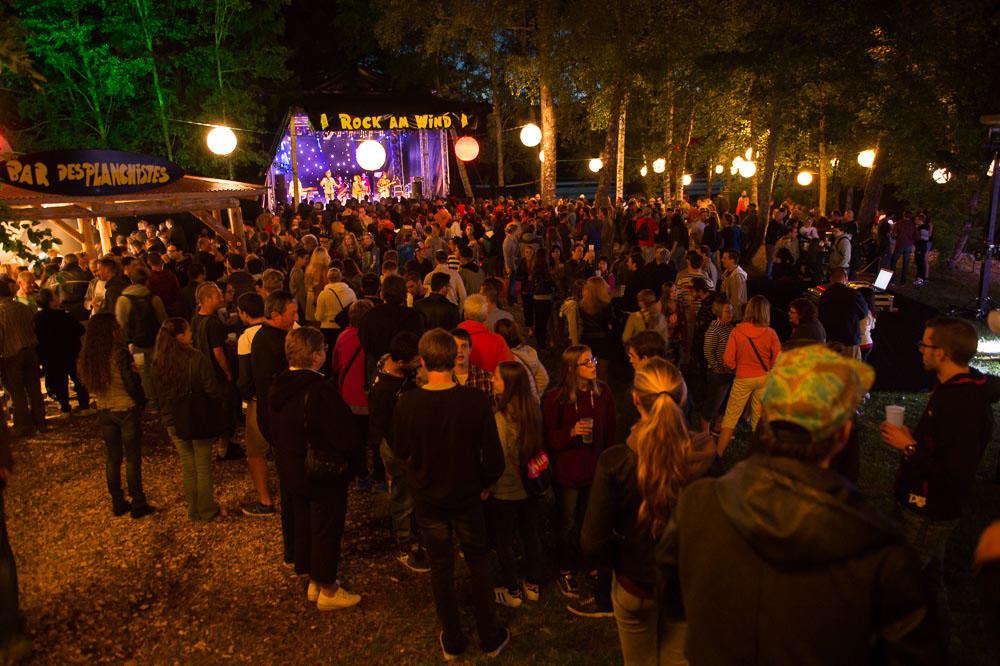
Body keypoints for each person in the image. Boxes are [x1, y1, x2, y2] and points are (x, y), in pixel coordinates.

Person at [658, 344, 943, 664]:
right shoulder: (880, 550)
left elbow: (672, 600)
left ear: (765, 421)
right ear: (842, 435)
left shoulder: (699, 503)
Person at [391, 329, 509, 659]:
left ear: (424, 362)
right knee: (478, 560)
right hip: (467, 495)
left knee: (441, 566)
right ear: (451, 357)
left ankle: (454, 638)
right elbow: (494, 458)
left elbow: (400, 450)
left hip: (429, 498)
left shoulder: (408, 403)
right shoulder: (473, 401)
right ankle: (489, 635)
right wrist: (484, 483)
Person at [881, 317, 1000, 627]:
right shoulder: (955, 389)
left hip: (929, 510)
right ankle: (939, 641)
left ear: (943, 353)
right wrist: (912, 441)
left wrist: (910, 448)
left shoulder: (964, 404)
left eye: (926, 345)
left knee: (898, 586)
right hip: (927, 505)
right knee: (931, 583)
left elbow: (954, 474)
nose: (920, 350)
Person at [581, 358, 694, 665]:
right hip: (686, 585)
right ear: (682, 398)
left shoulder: (616, 462)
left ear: (634, 399)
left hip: (635, 584)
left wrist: (622, 555)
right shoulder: (706, 460)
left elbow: (592, 540)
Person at [269, 327, 362, 611]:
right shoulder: (320, 391)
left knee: (304, 522)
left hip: (291, 467)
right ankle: (328, 589)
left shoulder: (278, 386)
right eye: (323, 348)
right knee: (325, 527)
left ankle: (312, 577)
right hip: (320, 471)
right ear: (315, 355)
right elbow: (342, 433)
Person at [542, 344, 616, 616]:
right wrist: (570, 432)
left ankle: (591, 566)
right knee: (568, 521)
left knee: (591, 521)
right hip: (568, 473)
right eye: (587, 362)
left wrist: (607, 464)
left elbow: (610, 431)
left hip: (595, 469)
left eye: (593, 359)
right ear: (572, 369)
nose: (593, 364)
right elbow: (550, 439)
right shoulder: (555, 399)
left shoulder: (603, 392)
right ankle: (566, 568)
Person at [78, 313, 153, 519]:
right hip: (125, 407)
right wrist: (141, 398)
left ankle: (117, 502)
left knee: (112, 458)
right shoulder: (119, 353)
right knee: (132, 458)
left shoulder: (90, 356)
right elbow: (130, 383)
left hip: (104, 409)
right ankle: (138, 502)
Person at [152, 318, 227, 521]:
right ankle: (206, 509)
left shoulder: (159, 360)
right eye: (188, 331)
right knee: (202, 464)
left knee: (187, 463)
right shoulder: (196, 358)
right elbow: (211, 389)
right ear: (180, 336)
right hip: (197, 416)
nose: (191, 333)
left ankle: (193, 508)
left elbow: (155, 394)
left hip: (173, 420)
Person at [368, 332, 429, 572]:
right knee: (403, 494)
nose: (420, 362)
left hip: (406, 443)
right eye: (416, 359)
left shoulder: (396, 371)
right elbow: (386, 428)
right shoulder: (385, 389)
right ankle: (405, 543)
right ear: (402, 363)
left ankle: (414, 529)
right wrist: (404, 452)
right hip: (397, 448)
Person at [486, 361, 544, 608]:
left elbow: (496, 457)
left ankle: (512, 589)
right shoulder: (533, 410)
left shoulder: (500, 418)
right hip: (530, 486)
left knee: (504, 539)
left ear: (508, 385)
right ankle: (533, 583)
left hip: (505, 489)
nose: (492, 380)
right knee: (530, 534)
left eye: (497, 378)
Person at [716, 295, 781, 457]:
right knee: (758, 419)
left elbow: (728, 359)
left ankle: (718, 455)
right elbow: (778, 359)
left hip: (743, 377)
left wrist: (736, 366)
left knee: (731, 417)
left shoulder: (737, 331)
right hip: (764, 378)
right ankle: (758, 456)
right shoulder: (771, 333)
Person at [332, 299, 381, 491]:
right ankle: (379, 476)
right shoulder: (377, 337)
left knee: (356, 440)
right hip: (371, 396)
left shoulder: (343, 337)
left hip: (350, 397)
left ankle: (361, 475)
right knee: (376, 438)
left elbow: (336, 365)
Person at [235, 292, 276, 516]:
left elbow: (245, 376)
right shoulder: (284, 329)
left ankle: (265, 499)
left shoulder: (247, 337)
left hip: (258, 399)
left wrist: (245, 398)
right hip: (282, 396)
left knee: (256, 451)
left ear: (243, 312)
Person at [191, 282, 241, 460]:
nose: (221, 298)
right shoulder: (212, 323)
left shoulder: (196, 318)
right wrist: (228, 372)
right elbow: (218, 352)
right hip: (217, 373)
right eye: (218, 295)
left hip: (204, 372)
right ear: (206, 299)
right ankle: (223, 448)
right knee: (225, 409)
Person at [358, 275, 424, 388]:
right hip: (405, 373)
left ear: (382, 293)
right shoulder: (413, 317)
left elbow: (364, 342)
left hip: (376, 371)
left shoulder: (369, 315)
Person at [115, 265, 167, 406]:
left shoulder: (123, 300)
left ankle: (151, 401)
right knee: (158, 371)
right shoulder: (154, 298)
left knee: (144, 374)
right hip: (155, 341)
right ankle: (162, 398)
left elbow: (121, 322)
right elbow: (163, 321)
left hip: (135, 344)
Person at [33, 289, 90, 415]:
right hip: (70, 352)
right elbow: (80, 330)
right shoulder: (64, 315)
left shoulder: (37, 319)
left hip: (51, 356)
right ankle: (85, 406)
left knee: (59, 382)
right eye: (55, 297)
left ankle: (65, 408)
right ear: (51, 302)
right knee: (78, 378)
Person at [0, 281, 45, 437]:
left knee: (16, 391)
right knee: (34, 388)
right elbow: (34, 327)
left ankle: (23, 425)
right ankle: (40, 421)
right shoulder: (23, 308)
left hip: (11, 354)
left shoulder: (1, 312)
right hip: (30, 351)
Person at [818, 268, 868, 358]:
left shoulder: (825, 295)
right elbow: (864, 313)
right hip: (849, 341)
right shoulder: (853, 294)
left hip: (831, 341)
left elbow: (820, 316)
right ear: (846, 278)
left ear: (831, 279)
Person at [701, 298, 735, 433]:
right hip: (718, 373)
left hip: (729, 371)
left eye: (732, 311)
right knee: (713, 403)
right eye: (728, 311)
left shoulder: (729, 327)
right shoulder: (714, 329)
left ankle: (717, 426)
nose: (731, 314)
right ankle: (704, 433)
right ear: (718, 312)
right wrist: (717, 367)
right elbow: (708, 350)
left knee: (724, 402)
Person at [457, 295, 513, 374]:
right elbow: (510, 370)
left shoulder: (451, 339)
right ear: (486, 316)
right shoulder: (497, 341)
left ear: (465, 314)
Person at [495, 319, 549, 399]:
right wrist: (535, 396)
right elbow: (544, 379)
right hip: (532, 403)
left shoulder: (509, 360)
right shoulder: (529, 351)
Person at [578, 277, 615, 381]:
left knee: (587, 371)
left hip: (586, 339)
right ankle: (601, 393)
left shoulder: (582, 305)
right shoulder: (606, 305)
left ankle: (589, 394)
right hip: (602, 340)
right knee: (602, 374)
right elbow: (610, 322)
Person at [315, 267, 357, 354]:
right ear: (341, 277)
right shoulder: (350, 292)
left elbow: (319, 316)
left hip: (328, 329)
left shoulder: (323, 294)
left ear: (328, 278)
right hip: (344, 327)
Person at [53, 253, 92, 321]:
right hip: (84, 315)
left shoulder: (54, 278)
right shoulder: (88, 276)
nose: (60, 266)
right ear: (77, 262)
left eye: (61, 263)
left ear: (65, 263)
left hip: (64, 316)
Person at [719, 250, 747, 321]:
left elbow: (736, 299)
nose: (722, 260)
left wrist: (730, 315)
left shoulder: (737, 276)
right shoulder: (727, 272)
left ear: (732, 260)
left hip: (734, 315)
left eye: (725, 258)